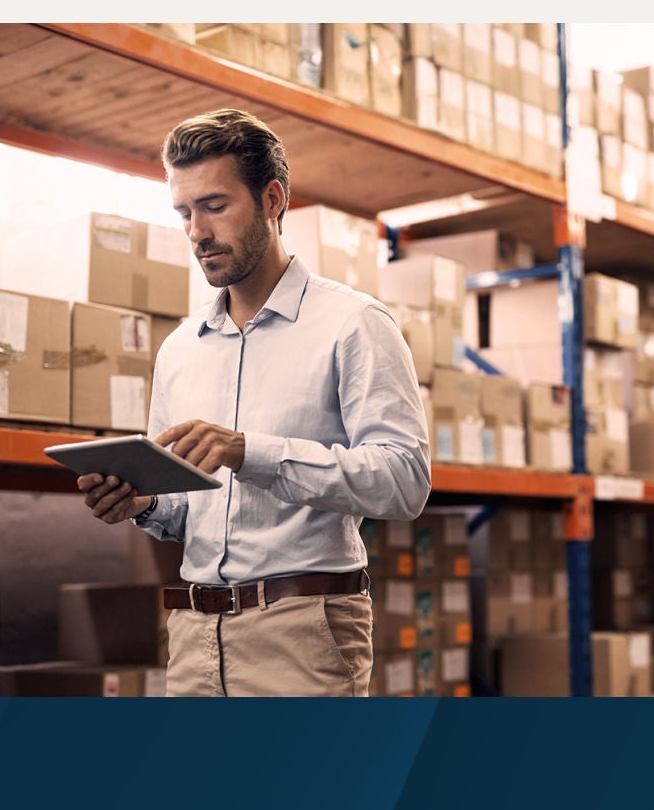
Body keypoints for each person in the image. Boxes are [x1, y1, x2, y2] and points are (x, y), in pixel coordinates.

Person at [78, 108, 431, 697]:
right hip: (193, 636)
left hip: (303, 634)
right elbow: (186, 509)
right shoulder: (180, 349)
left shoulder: (352, 324)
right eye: (184, 213)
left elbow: (404, 480)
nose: (197, 232)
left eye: (215, 206)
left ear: (272, 200)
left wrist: (251, 452)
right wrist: (142, 502)